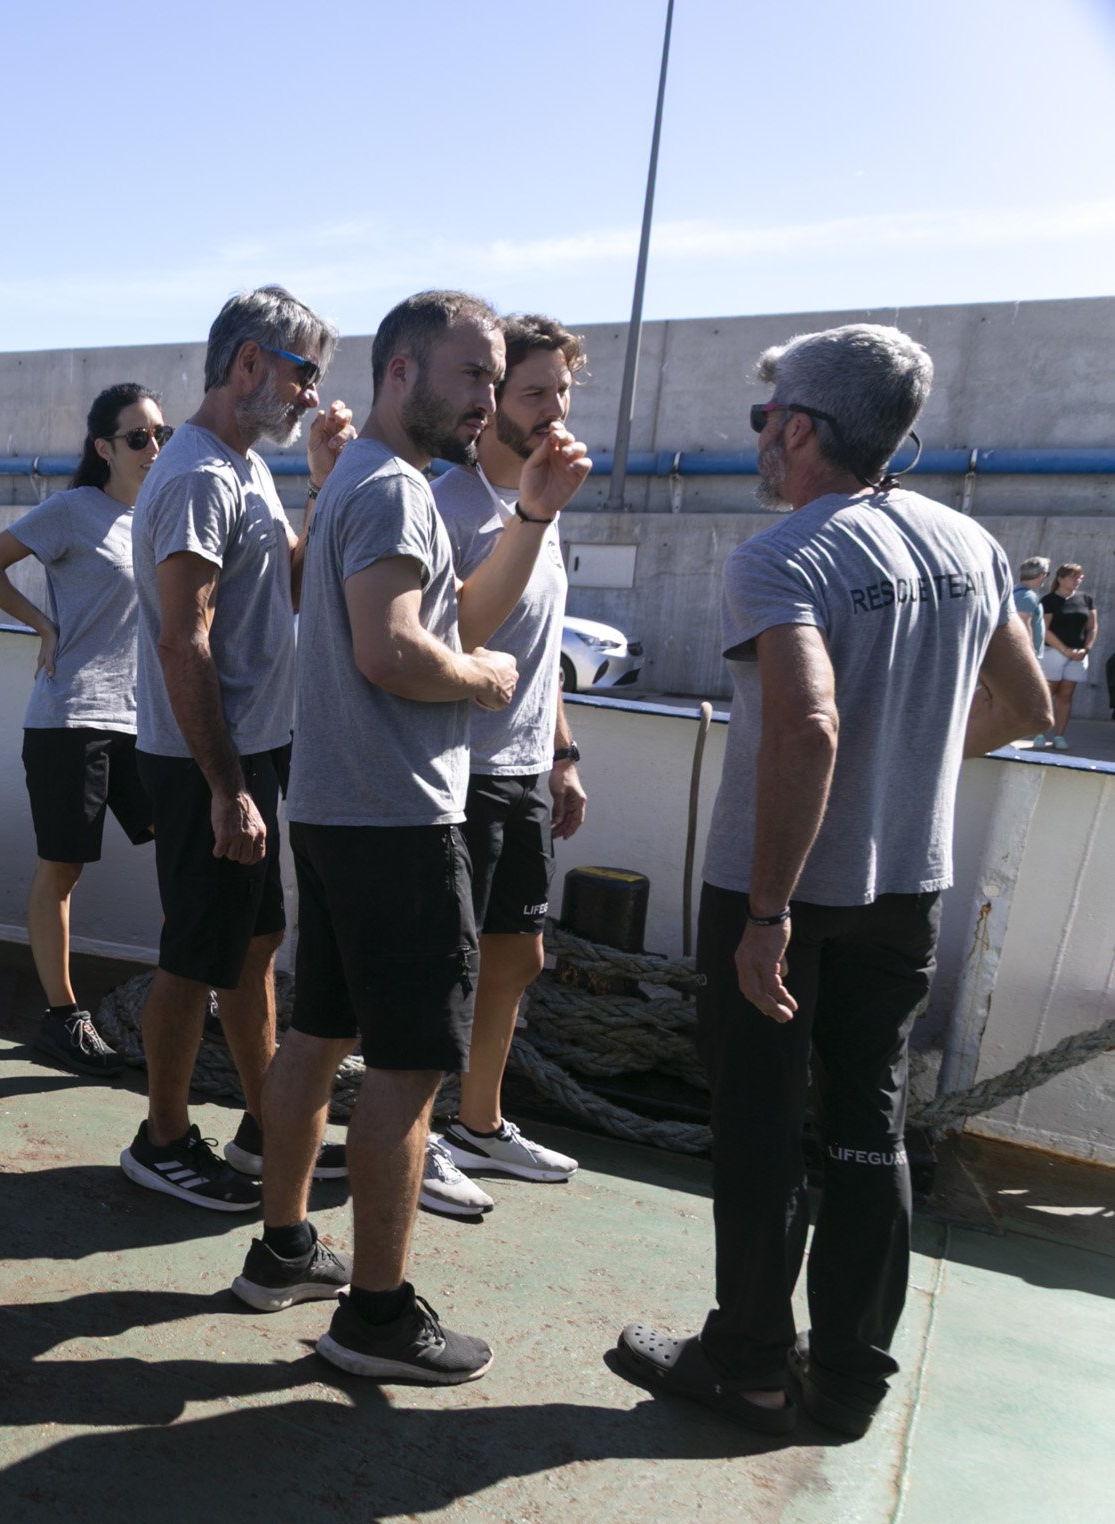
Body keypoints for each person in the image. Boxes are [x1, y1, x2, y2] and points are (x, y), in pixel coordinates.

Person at [618, 324, 1050, 1437]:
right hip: (906, 888)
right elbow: (1029, 704)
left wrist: (766, 912)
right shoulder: (969, 543)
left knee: (760, 1124)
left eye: (763, 420)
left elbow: (807, 726)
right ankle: (851, 1377)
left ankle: (752, 1365)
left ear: (800, 428)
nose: (758, 437)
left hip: (782, 893)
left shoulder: (782, 557)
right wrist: (904, 775)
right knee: (869, 1124)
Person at [240, 290, 579, 1386]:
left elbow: (443, 618)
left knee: (315, 1035)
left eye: (495, 379)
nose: (488, 398)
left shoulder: (368, 481)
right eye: (472, 374)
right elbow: (393, 650)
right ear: (401, 372)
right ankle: (376, 1316)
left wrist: (528, 520)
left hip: (339, 808)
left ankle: (282, 1248)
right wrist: (479, 680)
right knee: (408, 1067)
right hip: (397, 816)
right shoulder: (391, 490)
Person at [118, 287, 353, 1214]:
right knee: (193, 956)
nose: (311, 394)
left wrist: (321, 483)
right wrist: (225, 788)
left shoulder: (246, 468)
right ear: (249, 361)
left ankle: (266, 1125)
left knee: (254, 947)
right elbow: (185, 641)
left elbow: (285, 586)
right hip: (205, 761)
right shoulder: (198, 478)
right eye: (304, 373)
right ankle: (162, 1137)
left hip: (247, 754)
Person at [418, 314, 595, 1217]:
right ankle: (413, 1137)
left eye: (563, 391)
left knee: (518, 955)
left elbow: (543, 648)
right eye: (534, 392)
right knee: (439, 967)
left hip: (524, 766)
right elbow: (448, 637)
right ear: (490, 401)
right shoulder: (448, 505)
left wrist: (561, 753)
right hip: (458, 770)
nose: (553, 409)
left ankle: (478, 1125)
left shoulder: (544, 499)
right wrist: (532, 511)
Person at [0, 384, 167, 1075]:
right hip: (72, 717)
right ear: (104, 447)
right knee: (64, 867)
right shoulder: (75, 510)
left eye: (160, 434)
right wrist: (43, 625)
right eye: (137, 437)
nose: (153, 447)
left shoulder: (157, 518)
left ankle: (185, 991)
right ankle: (62, 1017)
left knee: (184, 844)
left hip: (141, 721)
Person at [1039, 561, 1096, 748]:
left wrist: (1086, 649)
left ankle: (1059, 736)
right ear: (1060, 578)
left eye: (1080, 577)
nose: (1077, 580)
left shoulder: (1086, 599)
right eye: (1073, 576)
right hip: (1053, 652)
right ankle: (1040, 733)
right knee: (1048, 692)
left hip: (1079, 655)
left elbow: (1092, 627)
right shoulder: (1048, 600)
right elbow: (1044, 630)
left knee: (1066, 695)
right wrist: (1064, 650)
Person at [1011, 558, 1051, 747]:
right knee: (1017, 698)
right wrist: (1029, 654)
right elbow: (1023, 623)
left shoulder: (1016, 592)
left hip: (1017, 654)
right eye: (1047, 574)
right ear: (1041, 575)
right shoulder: (1027, 596)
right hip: (1022, 656)